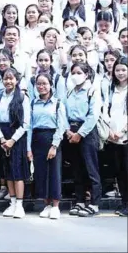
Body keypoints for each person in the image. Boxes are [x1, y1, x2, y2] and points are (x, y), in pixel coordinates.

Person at [28, 73, 68, 220]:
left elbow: (61, 126)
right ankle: (47, 204)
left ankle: (56, 205)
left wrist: (54, 146)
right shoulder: (33, 103)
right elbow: (30, 126)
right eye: (38, 84)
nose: (41, 86)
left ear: (51, 85)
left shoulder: (57, 103)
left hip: (52, 139)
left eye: (44, 83)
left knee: (54, 173)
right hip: (37, 139)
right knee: (41, 173)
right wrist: (29, 147)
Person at [65, 62, 102, 217]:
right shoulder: (70, 92)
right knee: (77, 169)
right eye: (73, 72)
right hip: (71, 131)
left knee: (91, 168)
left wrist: (80, 134)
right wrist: (68, 130)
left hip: (86, 132)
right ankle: (80, 200)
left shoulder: (92, 90)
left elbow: (93, 115)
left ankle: (94, 203)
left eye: (79, 72)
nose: (76, 75)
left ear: (86, 74)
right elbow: (64, 112)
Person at [0, 68, 30, 218]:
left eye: (11, 78)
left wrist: (12, 140)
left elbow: (26, 123)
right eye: (5, 78)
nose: (8, 81)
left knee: (18, 172)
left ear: (16, 80)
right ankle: (12, 203)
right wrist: (2, 138)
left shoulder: (22, 97)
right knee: (7, 171)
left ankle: (20, 205)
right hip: (3, 136)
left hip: (17, 136)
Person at [104, 57, 128, 216]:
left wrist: (124, 131)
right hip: (113, 137)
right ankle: (124, 203)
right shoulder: (110, 88)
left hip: (125, 137)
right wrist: (109, 132)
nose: (120, 73)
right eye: (117, 70)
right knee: (119, 173)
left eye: (123, 70)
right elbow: (105, 110)